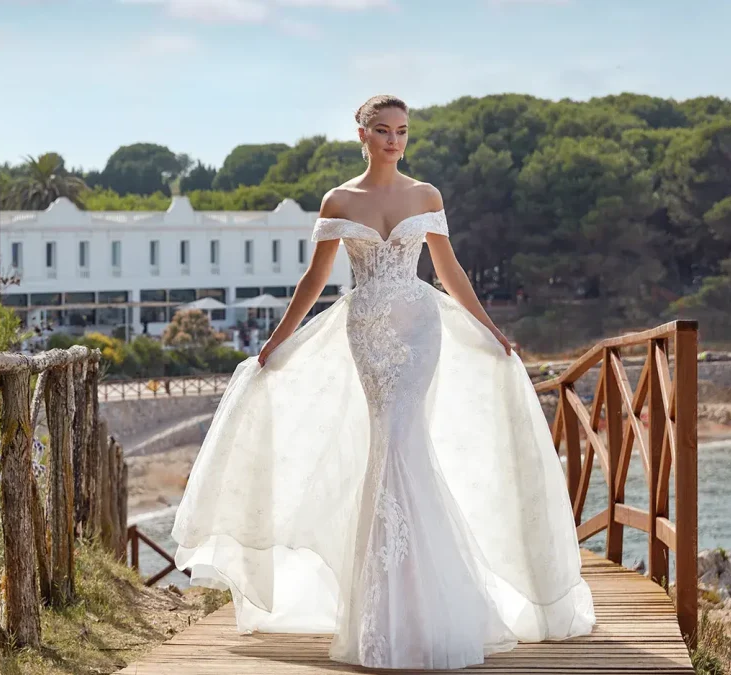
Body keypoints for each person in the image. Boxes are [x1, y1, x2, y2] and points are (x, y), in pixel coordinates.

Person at [170, 94, 595, 670]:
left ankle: (418, 608)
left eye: (402, 131)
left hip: (419, 329)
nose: (394, 140)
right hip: (367, 330)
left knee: (404, 443)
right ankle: (391, 612)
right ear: (362, 134)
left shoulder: (426, 195)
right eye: (384, 130)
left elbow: (448, 270)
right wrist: (274, 342)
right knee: (389, 447)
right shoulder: (339, 199)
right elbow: (314, 279)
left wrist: (491, 330)